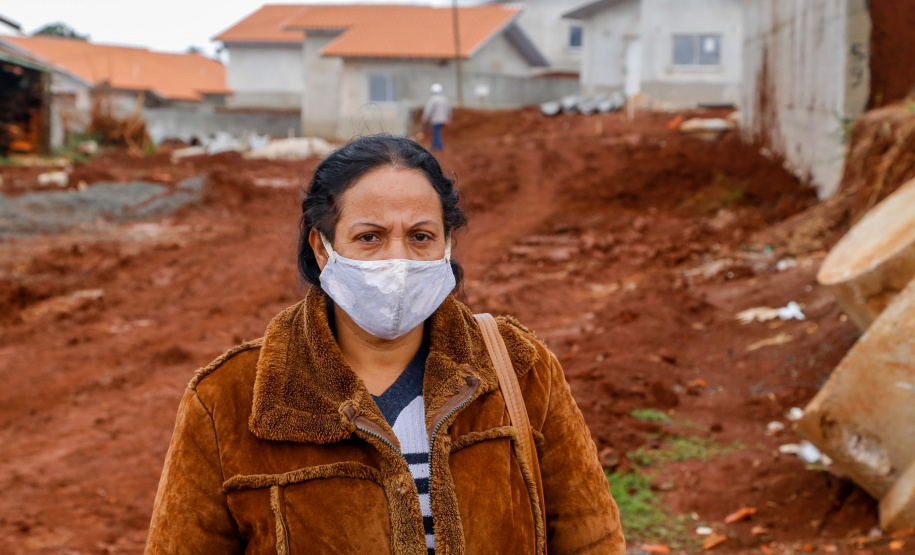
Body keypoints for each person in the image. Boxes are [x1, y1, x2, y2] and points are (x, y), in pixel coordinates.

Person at [145, 134, 625, 554]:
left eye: (420, 236)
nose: (399, 259)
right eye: (370, 236)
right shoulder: (227, 399)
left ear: (447, 246)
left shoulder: (520, 371)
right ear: (322, 247)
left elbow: (591, 538)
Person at [422, 83, 451, 152]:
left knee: (436, 132)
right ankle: (434, 145)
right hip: (443, 119)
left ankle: (439, 146)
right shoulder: (444, 99)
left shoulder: (432, 99)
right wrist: (448, 118)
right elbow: (448, 109)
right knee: (437, 132)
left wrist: (425, 118)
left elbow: (428, 109)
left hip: (436, 119)